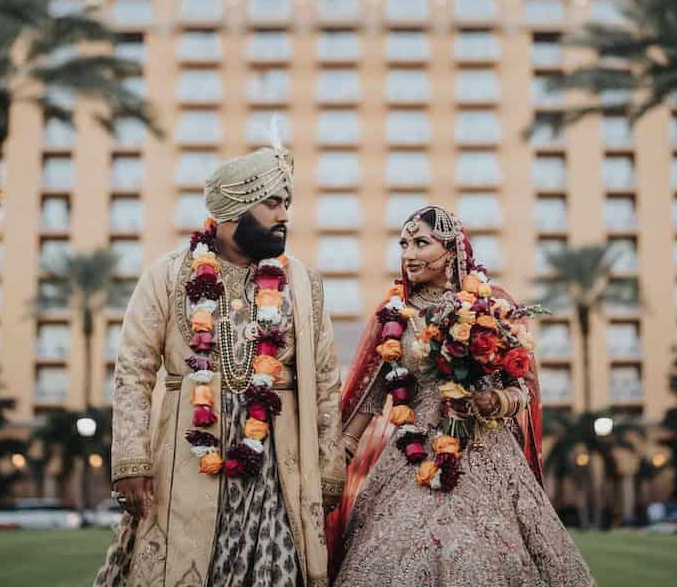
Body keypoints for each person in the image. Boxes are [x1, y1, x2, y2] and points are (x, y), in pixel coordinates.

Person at [96, 146, 344, 587]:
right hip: (187, 460)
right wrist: (131, 461)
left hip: (278, 469)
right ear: (233, 210)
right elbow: (133, 370)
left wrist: (328, 468)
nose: (283, 214)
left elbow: (325, 382)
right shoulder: (168, 275)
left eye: (287, 203)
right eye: (272, 203)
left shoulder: (303, 285)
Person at [334, 206, 595, 587]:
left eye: (421, 243)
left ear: (451, 251)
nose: (408, 253)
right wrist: (341, 450)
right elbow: (371, 396)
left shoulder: (492, 308)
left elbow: (522, 389)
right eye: (404, 243)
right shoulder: (394, 314)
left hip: (485, 448)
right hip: (412, 453)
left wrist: (495, 402)